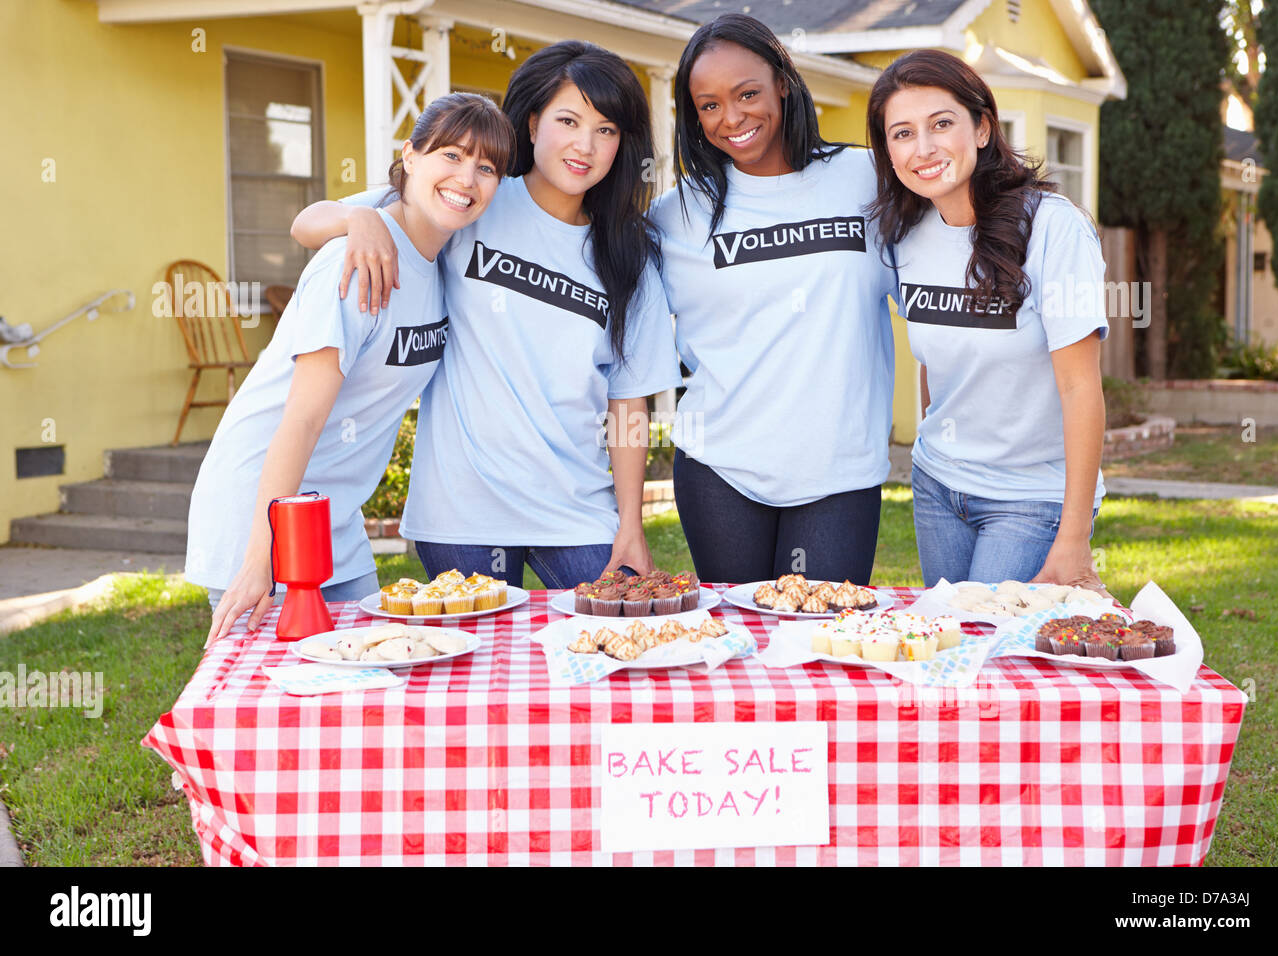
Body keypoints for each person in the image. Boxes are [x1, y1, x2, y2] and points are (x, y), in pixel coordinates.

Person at [290, 43, 682, 589]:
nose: (584, 145)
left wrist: (631, 525)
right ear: (532, 122)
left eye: (606, 130)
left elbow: (628, 401)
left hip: (576, 508)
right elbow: (308, 223)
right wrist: (359, 216)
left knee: (609, 654)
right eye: (568, 120)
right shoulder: (475, 193)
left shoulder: (629, 254)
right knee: (480, 668)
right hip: (461, 510)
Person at [187, 93, 513, 643]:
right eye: (452, 156)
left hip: (332, 519)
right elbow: (302, 422)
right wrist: (260, 559)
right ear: (409, 157)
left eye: (486, 167)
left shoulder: (435, 251)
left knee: (362, 683)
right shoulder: (358, 264)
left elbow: (316, 217)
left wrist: (356, 214)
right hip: (262, 513)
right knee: (275, 704)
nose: (467, 178)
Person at [650, 13, 896, 584]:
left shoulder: (868, 179)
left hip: (840, 470)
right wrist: (395, 217)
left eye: (747, 93)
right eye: (708, 105)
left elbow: (948, 263)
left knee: (824, 641)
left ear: (783, 82)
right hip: (719, 469)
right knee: (740, 645)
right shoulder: (674, 217)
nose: (731, 118)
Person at [865, 49, 1107, 589]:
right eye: (902, 133)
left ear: (981, 129)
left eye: (941, 124)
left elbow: (1080, 388)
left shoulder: (1052, 228)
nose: (923, 148)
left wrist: (1073, 538)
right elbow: (937, 362)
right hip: (937, 486)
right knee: (952, 651)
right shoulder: (904, 233)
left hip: (1031, 498)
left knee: (997, 657)